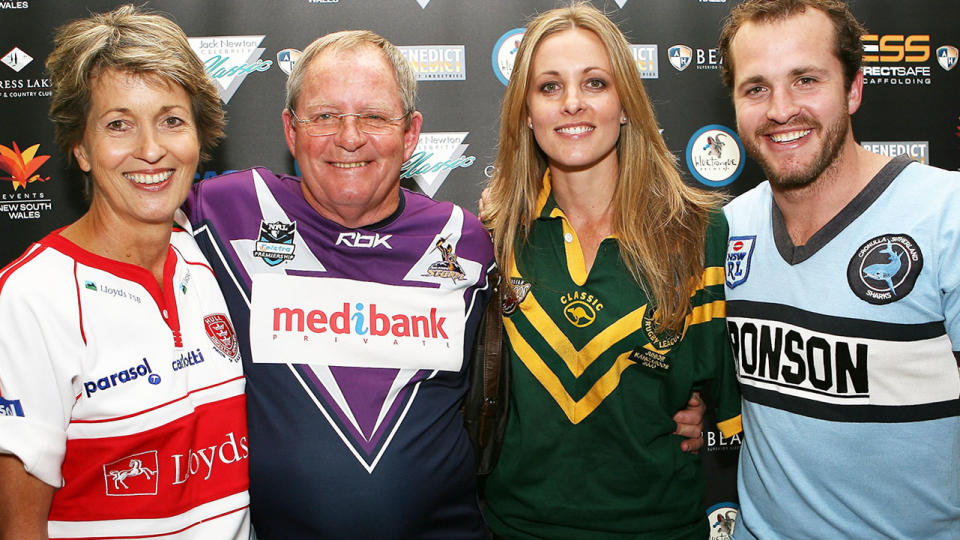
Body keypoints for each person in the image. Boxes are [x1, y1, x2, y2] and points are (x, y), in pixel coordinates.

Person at [183, 30, 495, 538]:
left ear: (411, 133)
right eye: (325, 116)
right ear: (290, 130)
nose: (349, 138)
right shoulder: (223, 211)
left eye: (374, 116)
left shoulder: (464, 239)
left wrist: (674, 393)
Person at [480, 4, 741, 538]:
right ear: (526, 112)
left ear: (624, 103)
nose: (572, 103)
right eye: (549, 87)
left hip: (661, 528)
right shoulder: (490, 233)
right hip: (515, 528)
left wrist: (701, 414)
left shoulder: (699, 231)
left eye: (594, 82)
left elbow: (729, 393)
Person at [0, 5, 249, 539]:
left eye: (171, 120)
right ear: (81, 148)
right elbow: (20, 523)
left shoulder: (212, 257)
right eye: (119, 124)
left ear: (200, 138)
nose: (151, 150)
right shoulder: (31, 297)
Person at [717, 1, 960, 538]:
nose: (781, 109)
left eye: (805, 80)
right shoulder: (726, 230)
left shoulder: (948, 215)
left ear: (853, 89)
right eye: (756, 88)